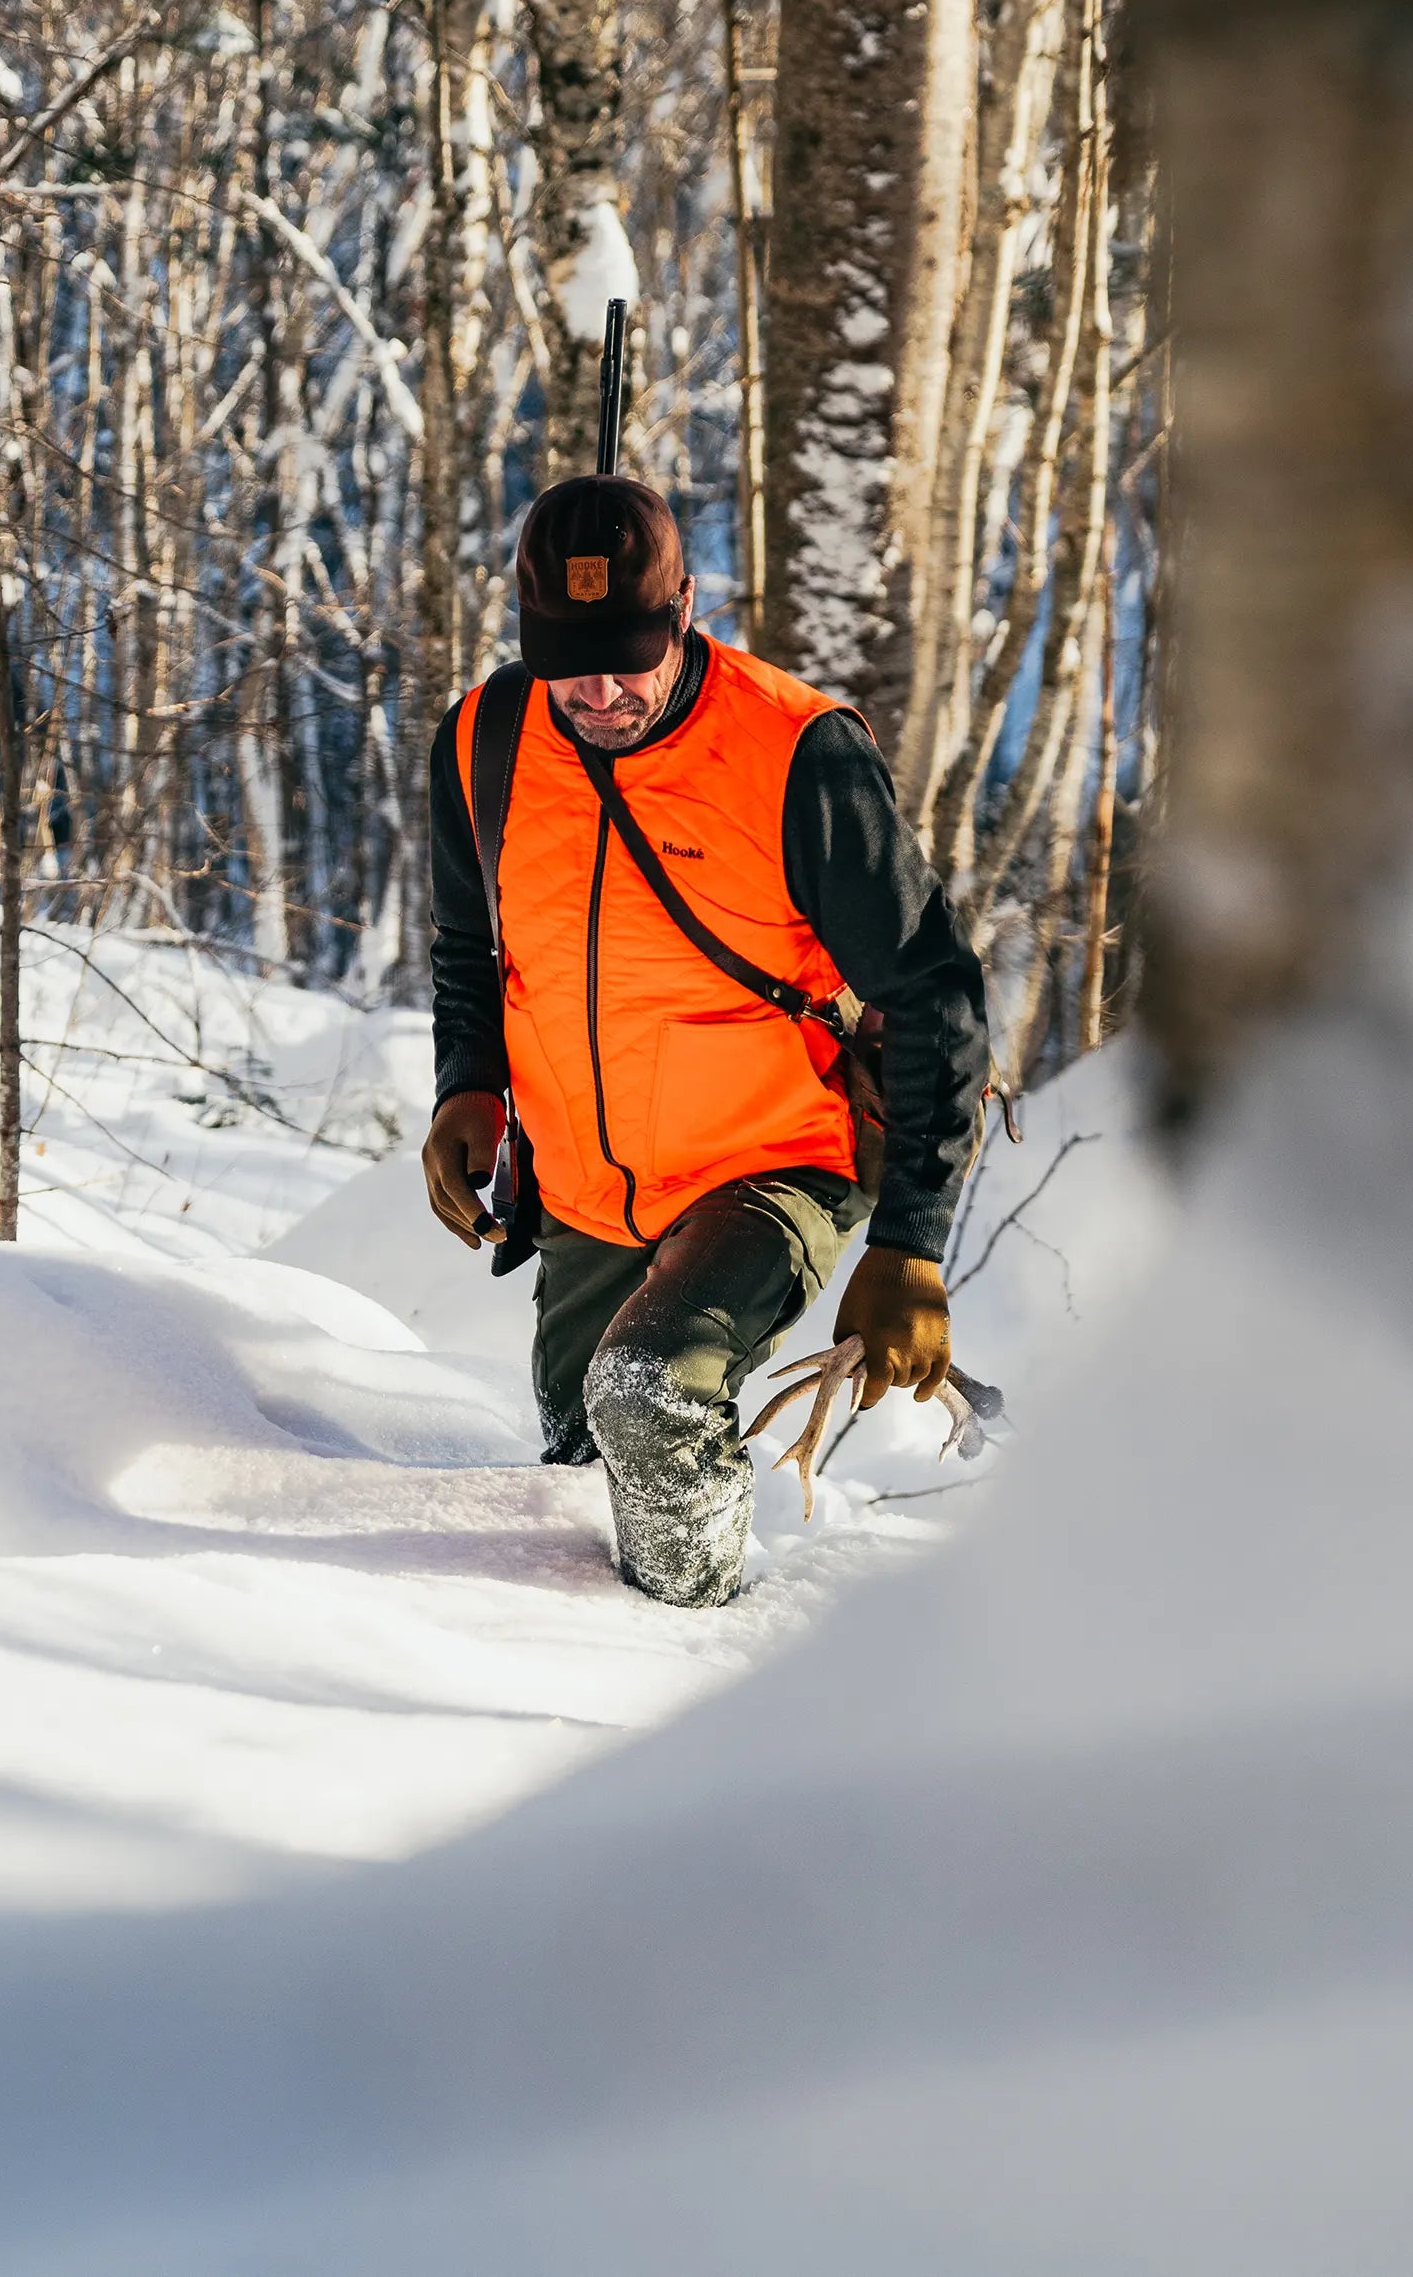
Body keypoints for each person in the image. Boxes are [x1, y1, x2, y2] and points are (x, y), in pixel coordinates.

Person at [423, 474, 990, 1607]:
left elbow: (936, 995)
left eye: (629, 652)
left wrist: (910, 1244)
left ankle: (693, 1659)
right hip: (584, 1188)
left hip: (768, 1161)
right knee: (580, 1469)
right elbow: (466, 943)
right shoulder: (487, 737)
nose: (598, 689)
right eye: (565, 657)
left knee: (646, 1393)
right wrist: (467, 1086)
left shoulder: (796, 754)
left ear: (685, 609)